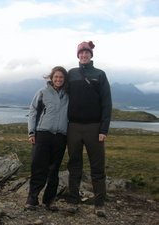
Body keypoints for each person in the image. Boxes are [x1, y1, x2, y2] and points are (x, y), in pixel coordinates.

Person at [66, 41, 112, 217]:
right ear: (78, 55)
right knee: (74, 166)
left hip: (94, 128)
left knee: (97, 168)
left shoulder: (100, 75)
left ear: (91, 55)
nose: (84, 55)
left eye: (87, 53)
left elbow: (106, 103)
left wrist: (104, 129)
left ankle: (99, 203)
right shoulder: (71, 74)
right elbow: (63, 96)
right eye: (81, 53)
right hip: (74, 127)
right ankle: (73, 201)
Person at [25, 66, 69, 211]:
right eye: (56, 77)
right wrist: (31, 132)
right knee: (38, 167)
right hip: (43, 134)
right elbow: (32, 111)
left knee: (54, 170)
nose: (58, 79)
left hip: (60, 137)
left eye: (61, 77)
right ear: (51, 78)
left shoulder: (68, 95)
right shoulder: (42, 92)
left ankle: (49, 201)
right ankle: (32, 199)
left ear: (64, 79)